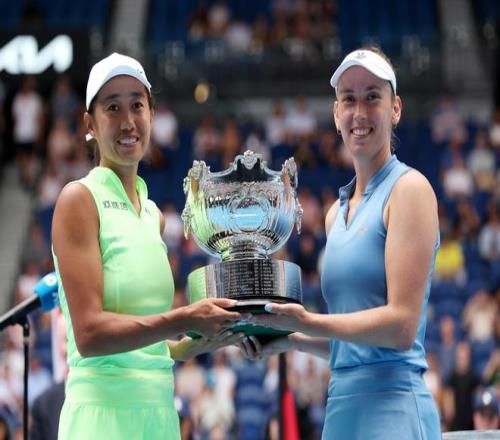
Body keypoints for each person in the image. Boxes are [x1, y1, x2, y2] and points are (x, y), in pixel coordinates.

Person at [242, 47, 442, 439]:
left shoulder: (410, 190)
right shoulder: (335, 214)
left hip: (394, 409)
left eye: (372, 97)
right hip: (341, 411)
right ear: (336, 114)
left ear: (395, 109)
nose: (359, 112)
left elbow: (401, 328)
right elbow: (352, 348)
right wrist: (288, 340)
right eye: (349, 99)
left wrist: (307, 321)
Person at [51, 53, 245, 440]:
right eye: (112, 107)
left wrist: (182, 348)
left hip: (160, 415)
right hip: (101, 418)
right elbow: (89, 335)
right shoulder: (78, 200)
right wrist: (185, 319)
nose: (128, 121)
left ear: (152, 115)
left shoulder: (153, 214)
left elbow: (139, 343)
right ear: (90, 124)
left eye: (137, 105)